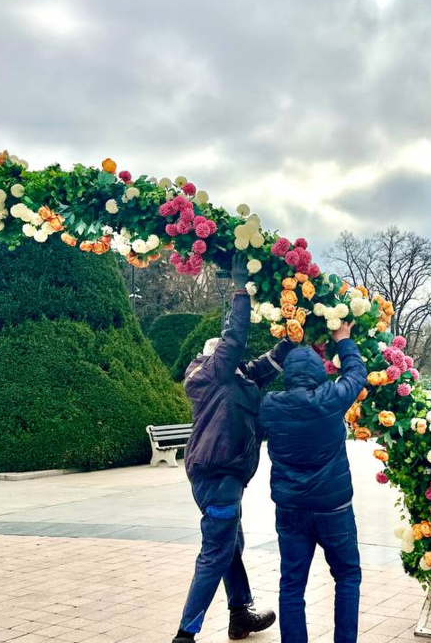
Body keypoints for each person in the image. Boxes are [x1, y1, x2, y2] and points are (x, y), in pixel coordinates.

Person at [174, 254, 295, 643]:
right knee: (215, 553)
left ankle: (240, 614)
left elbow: (263, 366)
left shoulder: (232, 380)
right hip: (219, 474)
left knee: (230, 544)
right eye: (229, 356)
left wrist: (290, 342)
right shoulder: (212, 373)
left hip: (221, 475)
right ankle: (185, 634)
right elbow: (235, 339)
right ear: (216, 357)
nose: (237, 360)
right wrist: (241, 290)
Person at [260, 320, 367, 643]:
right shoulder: (331, 398)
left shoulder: (270, 406)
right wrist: (343, 340)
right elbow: (357, 374)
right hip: (333, 508)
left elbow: (249, 382)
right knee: (347, 575)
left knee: (292, 584)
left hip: (291, 507)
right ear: (320, 373)